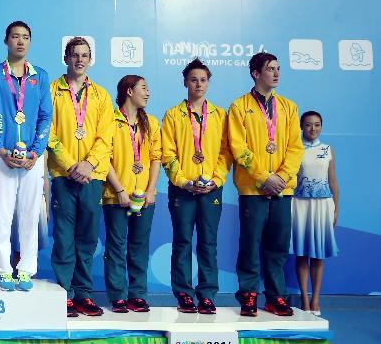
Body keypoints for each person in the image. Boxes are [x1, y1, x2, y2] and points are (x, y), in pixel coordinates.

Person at [228, 52, 304, 317]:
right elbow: (239, 148)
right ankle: (248, 295)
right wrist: (263, 177)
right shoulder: (239, 107)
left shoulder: (289, 107)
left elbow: (296, 147)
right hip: (253, 188)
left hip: (283, 189)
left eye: (278, 68)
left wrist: (281, 178)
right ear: (256, 73)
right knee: (250, 244)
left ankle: (275, 297)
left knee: (278, 245)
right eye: (270, 69)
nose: (276, 73)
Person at [0, 21, 52, 292]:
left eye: (25, 37)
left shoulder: (40, 76)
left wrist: (36, 150)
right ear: (6, 41)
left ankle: (26, 269)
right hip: (1, 157)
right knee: (2, 215)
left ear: (30, 42)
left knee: (30, 214)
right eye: (15, 37)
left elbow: (46, 116)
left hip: (33, 157)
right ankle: (3, 270)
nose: (20, 42)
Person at [47, 37, 114, 316]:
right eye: (75, 55)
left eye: (85, 55)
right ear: (66, 57)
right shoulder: (51, 90)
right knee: (64, 237)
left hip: (92, 176)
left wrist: (87, 164)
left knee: (87, 238)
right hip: (63, 175)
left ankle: (84, 294)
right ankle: (64, 293)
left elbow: (106, 135)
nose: (79, 60)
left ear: (90, 59)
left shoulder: (100, 95)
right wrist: (70, 164)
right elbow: (47, 132)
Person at [161, 58, 231, 315]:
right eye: (193, 80)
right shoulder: (172, 115)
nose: (198, 84)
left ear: (208, 83)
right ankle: (183, 294)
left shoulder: (220, 115)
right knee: (182, 242)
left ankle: (207, 294)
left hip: (211, 189)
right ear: (185, 83)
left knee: (208, 243)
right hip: (183, 190)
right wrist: (185, 181)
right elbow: (168, 154)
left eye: (203, 80)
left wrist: (216, 179)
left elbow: (226, 152)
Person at [103, 75, 161, 313]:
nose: (147, 93)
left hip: (144, 197)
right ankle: (118, 296)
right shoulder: (110, 120)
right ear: (129, 91)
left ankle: (137, 295)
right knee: (116, 247)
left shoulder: (152, 123)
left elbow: (156, 158)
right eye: (143, 89)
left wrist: (150, 191)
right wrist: (119, 189)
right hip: (117, 195)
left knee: (139, 246)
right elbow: (103, 157)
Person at [291, 110, 339, 316]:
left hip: (323, 206)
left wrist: (336, 208)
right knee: (302, 254)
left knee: (318, 255)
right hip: (300, 205)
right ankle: (304, 298)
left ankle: (316, 298)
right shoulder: (295, 149)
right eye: (309, 124)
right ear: (301, 126)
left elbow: (333, 181)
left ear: (321, 126)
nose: (313, 128)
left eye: (317, 124)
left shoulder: (328, 149)